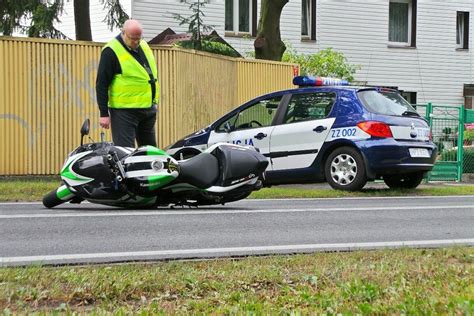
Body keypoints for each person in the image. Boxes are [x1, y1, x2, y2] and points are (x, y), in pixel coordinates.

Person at [96, 19, 159, 148]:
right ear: (123, 33)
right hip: (124, 113)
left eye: (139, 39)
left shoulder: (144, 45)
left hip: (147, 109)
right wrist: (103, 113)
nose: (136, 42)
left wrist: (153, 103)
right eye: (132, 39)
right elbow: (101, 84)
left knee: (150, 151)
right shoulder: (111, 51)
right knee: (125, 152)